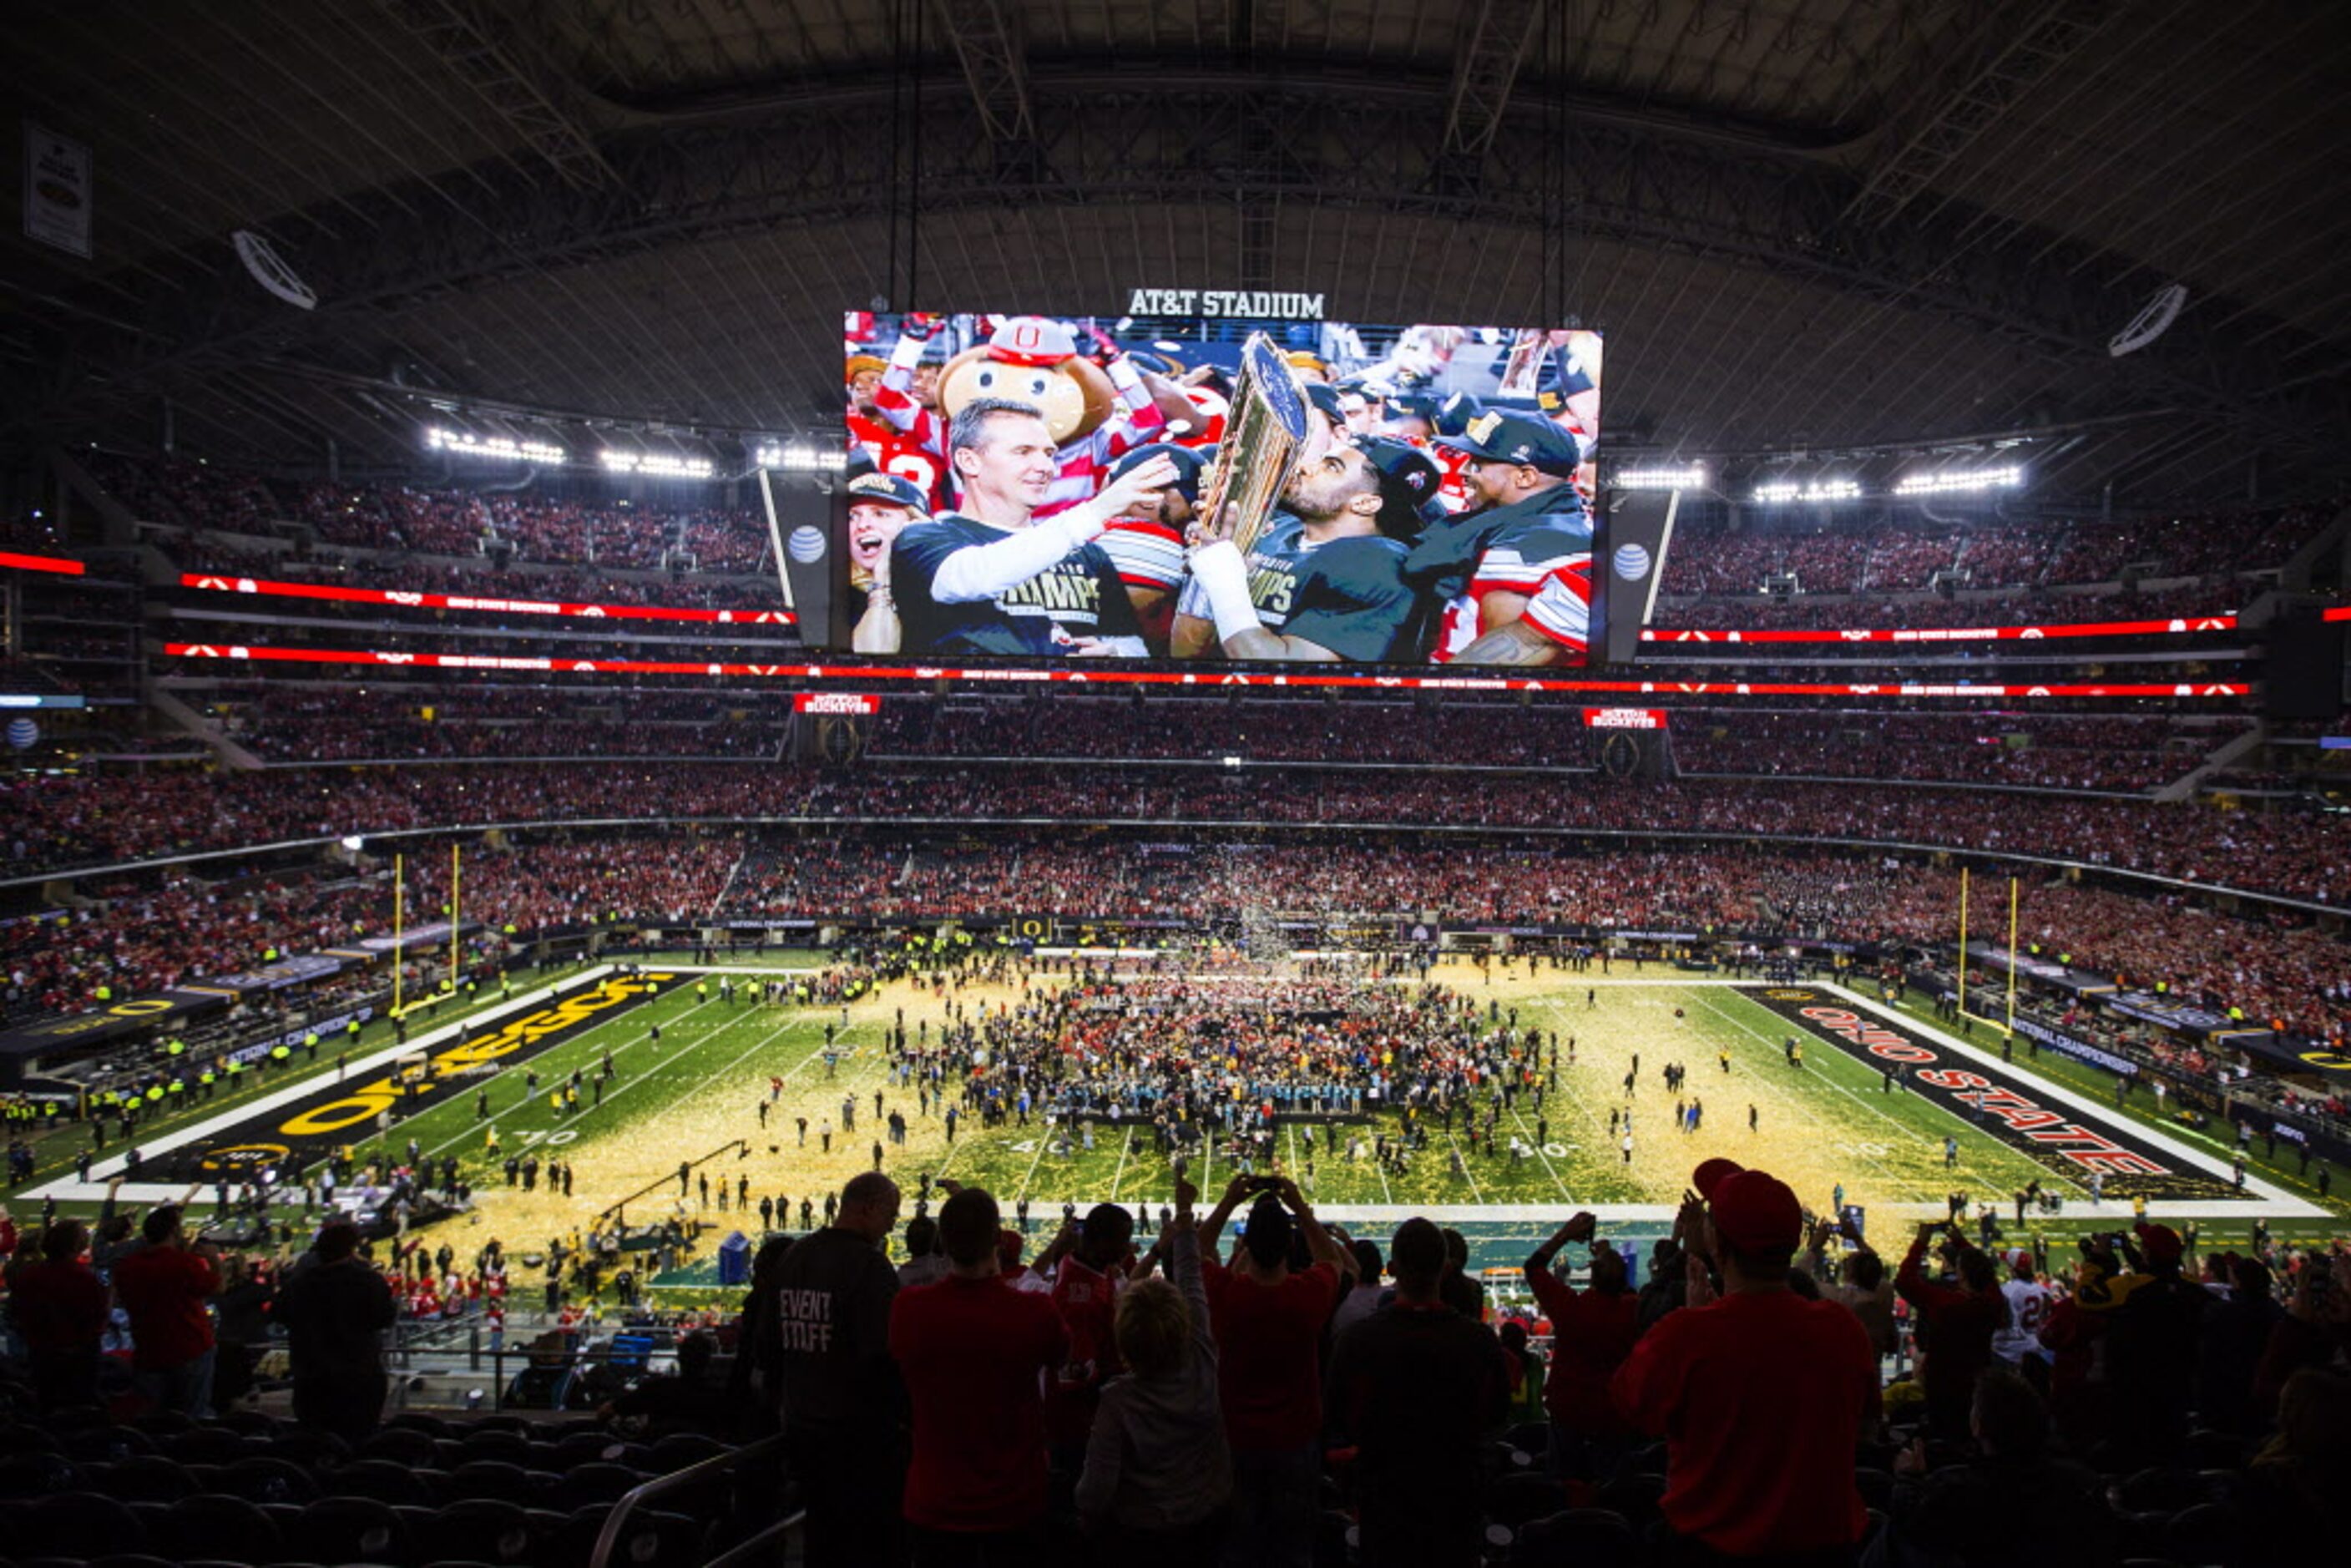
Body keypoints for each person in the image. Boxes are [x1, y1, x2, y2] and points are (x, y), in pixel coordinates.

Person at [1613, 1167, 1878, 1563]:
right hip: (1825, 1549)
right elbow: (1868, 1423)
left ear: (1716, 1242)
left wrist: (1692, 1323)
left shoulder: (1688, 1333)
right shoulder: (1843, 1329)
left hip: (1713, 1545)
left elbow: (1628, 1404)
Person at [888, 398, 1173, 656]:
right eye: (1023, 452)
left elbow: (1136, 645)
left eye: (1049, 453)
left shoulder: (1087, 553)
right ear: (969, 461)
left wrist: (1116, 653)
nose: (1045, 466)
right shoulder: (922, 538)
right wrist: (1096, 510)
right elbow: (971, 579)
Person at [889, 1186, 1069, 1564]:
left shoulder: (909, 1308)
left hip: (934, 1499)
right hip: (1017, 1501)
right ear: (997, 1240)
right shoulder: (1035, 1311)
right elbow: (1061, 1357)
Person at [1325, 1217, 1511, 1568]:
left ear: (1392, 1268)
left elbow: (1338, 1419)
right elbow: (1495, 1417)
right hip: (1456, 1499)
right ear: (1445, 1267)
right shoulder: (1479, 1341)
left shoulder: (1360, 1341)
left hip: (1386, 1499)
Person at [1074, 1177, 1231, 1561]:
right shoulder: (1203, 1360)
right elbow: (1192, 1279)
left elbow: (1094, 1494)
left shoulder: (1117, 1401)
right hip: (1205, 1518)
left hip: (1140, 1533)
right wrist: (1183, 1215)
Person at [1198, 1174, 1350, 1568]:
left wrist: (1230, 1201)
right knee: (1294, 1547)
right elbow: (1332, 1259)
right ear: (1290, 1245)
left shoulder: (1228, 1293)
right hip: (1296, 1438)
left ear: (1245, 1245)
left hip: (1236, 1435)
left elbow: (1196, 1251)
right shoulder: (1307, 1294)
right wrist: (1299, 1206)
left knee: (1237, 1544)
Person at [1175, 437, 1433, 664]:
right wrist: (1206, 566)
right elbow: (1186, 654)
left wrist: (1224, 582)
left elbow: (1279, 675)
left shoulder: (1380, 566)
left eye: (1331, 467)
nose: (1305, 467)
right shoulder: (1277, 529)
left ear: (1365, 503)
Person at [773, 1172, 905, 1568]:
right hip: (858, 1438)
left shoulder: (793, 1257)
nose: (892, 1224)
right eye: (890, 1214)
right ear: (867, 1208)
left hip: (802, 1429)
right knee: (867, 1545)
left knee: (820, 1539)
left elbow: (768, 1347)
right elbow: (884, 1356)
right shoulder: (870, 1267)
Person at [1524, 1211, 1639, 1480]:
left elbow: (1533, 1267)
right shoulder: (1634, 1311)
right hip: (1615, 1417)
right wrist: (1609, 1258)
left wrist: (1564, 1234)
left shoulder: (1572, 1309)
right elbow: (1629, 1295)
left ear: (1592, 1278)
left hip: (1570, 1415)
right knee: (1613, 1491)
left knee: (1563, 1488)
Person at [276, 1219, 397, 1444]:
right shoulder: (369, 1280)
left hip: (311, 1373)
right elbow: (385, 1318)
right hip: (358, 1373)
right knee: (359, 1438)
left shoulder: (299, 1283)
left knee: (313, 1440)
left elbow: (278, 1314)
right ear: (351, 1249)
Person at [1895, 1222, 2005, 1437]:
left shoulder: (1947, 1302)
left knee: (1943, 1434)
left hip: (1942, 1383)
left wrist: (1920, 1243)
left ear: (1961, 1275)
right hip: (1977, 1377)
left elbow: (1904, 1281)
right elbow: (1987, 1274)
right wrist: (1961, 1242)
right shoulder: (1993, 1300)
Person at [111, 1205, 222, 1419]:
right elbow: (218, 1287)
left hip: (148, 1349)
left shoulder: (127, 1266)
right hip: (190, 1347)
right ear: (173, 1231)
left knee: (153, 1417)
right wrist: (213, 1258)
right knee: (192, 1415)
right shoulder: (184, 1263)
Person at [5, 1219, 109, 1411]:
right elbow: (98, 1317)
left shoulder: (30, 1276)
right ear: (75, 1244)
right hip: (77, 1356)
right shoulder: (82, 1278)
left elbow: (18, 1313)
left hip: (41, 1353)